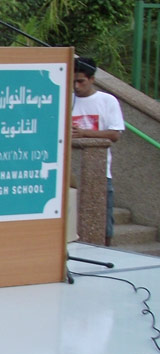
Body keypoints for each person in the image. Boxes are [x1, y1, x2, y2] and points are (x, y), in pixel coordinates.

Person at [71, 56, 125, 246]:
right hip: (71, 173)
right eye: (73, 82)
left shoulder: (107, 101)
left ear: (92, 79)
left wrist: (84, 133)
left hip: (100, 172)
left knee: (103, 224)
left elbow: (114, 134)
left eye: (81, 81)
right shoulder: (66, 100)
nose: (76, 86)